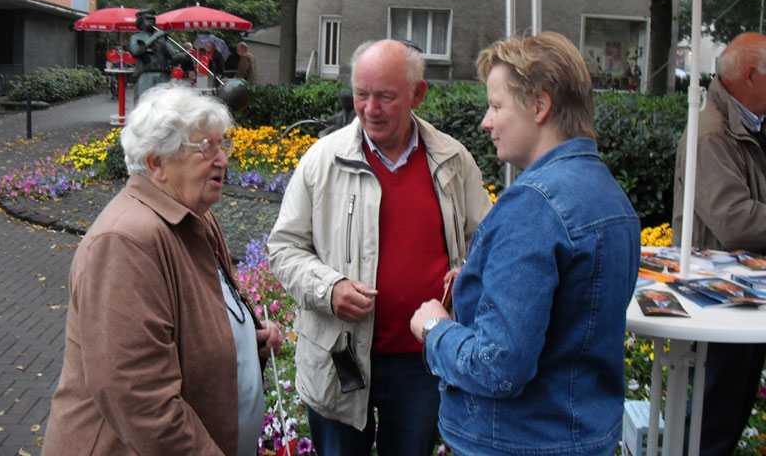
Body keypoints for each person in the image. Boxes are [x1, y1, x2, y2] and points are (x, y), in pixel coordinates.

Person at [410, 32, 641, 455]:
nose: (486, 120)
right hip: (586, 436)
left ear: (539, 105)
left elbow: (499, 367)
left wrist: (433, 328)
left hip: (519, 441)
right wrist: (484, 283)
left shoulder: (533, 207)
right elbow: (576, 312)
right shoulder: (610, 195)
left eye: (496, 106)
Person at [268, 39, 491, 456]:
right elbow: (284, 249)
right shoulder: (322, 160)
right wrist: (329, 289)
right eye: (361, 95)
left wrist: (472, 276)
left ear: (418, 94)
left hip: (422, 360)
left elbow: (489, 244)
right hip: (340, 355)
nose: (370, 109)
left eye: (386, 97)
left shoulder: (453, 161)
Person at [42, 85, 282, 456]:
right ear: (156, 162)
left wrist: (248, 339)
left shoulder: (197, 219)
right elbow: (140, 399)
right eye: (207, 148)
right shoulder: (125, 242)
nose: (222, 159)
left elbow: (200, 321)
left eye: (223, 146)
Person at [672, 31, 766, 456]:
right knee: (713, 427)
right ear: (751, 76)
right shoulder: (711, 132)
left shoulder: (745, 123)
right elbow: (735, 221)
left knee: (728, 414)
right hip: (720, 303)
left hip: (739, 298)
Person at [129, 9, 183, 101]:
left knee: (164, 106)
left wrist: (183, 55)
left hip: (163, 76)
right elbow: (136, 52)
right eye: (148, 19)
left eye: (153, 19)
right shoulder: (135, 38)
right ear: (141, 22)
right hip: (146, 76)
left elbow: (173, 57)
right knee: (144, 105)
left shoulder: (162, 39)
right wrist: (155, 37)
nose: (152, 22)